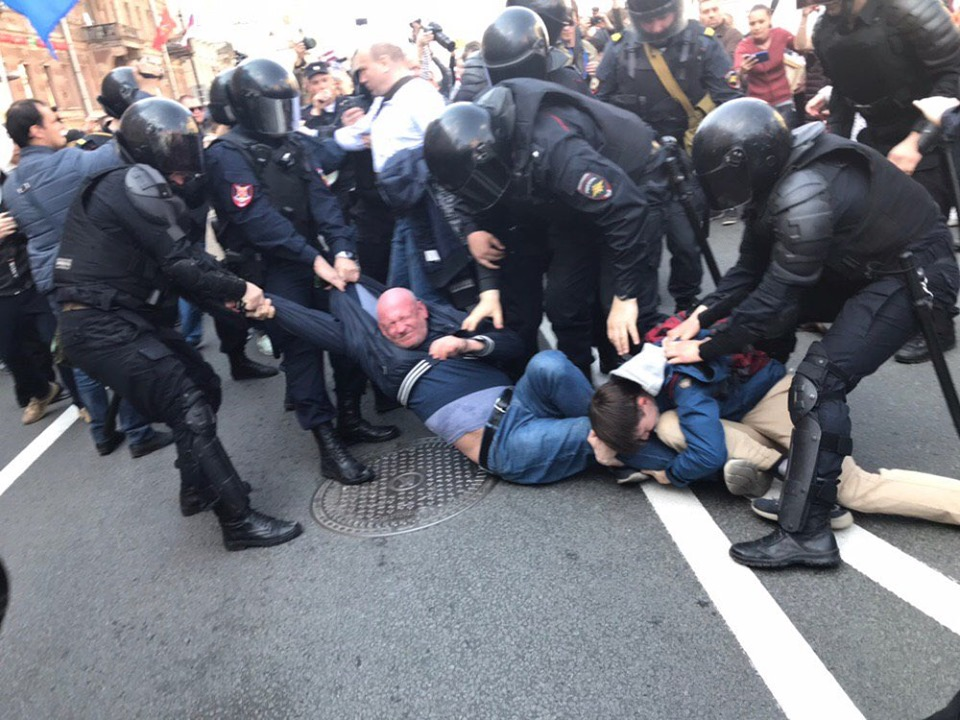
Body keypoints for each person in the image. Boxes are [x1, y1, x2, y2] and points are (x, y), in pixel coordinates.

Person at [664, 98, 959, 569]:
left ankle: (808, 533)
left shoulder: (805, 191)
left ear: (748, 161)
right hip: (864, 260)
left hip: (912, 272)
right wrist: (699, 316)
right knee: (775, 334)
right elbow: (749, 270)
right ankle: (806, 474)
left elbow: (773, 296)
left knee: (818, 383)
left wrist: (706, 348)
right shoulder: (777, 177)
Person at [53, 98, 302, 550]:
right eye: (175, 152)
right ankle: (238, 522)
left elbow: (183, 272)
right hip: (102, 323)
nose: (184, 170)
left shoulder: (129, 186)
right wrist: (241, 289)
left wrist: (240, 306)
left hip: (120, 319)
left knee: (204, 385)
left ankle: (196, 489)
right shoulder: (132, 182)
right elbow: (184, 264)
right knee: (187, 404)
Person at [205, 59, 398, 486]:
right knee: (302, 351)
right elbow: (256, 219)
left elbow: (323, 200)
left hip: (317, 256)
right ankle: (327, 444)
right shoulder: (227, 153)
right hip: (273, 265)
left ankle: (351, 416)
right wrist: (314, 259)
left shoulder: (295, 141)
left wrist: (343, 250)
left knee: (350, 332)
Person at [424, 80, 670, 370]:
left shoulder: (555, 149)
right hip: (572, 205)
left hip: (631, 188)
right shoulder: (482, 145)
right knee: (563, 304)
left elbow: (626, 209)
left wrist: (625, 296)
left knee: (628, 314)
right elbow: (480, 207)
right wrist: (476, 243)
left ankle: (652, 382)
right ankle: (576, 380)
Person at [260, 282, 606, 486]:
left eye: (403, 319)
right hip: (504, 442)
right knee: (595, 431)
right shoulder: (381, 356)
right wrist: (262, 303)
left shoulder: (449, 324)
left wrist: (468, 345)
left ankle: (616, 439)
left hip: (525, 403)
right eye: (388, 325)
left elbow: (513, 345)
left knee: (550, 362)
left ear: (421, 310)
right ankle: (627, 447)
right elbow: (313, 324)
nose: (398, 329)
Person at [3, 98, 172, 458]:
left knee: (81, 356)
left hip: (50, 279)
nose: (60, 125)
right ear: (36, 131)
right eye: (54, 120)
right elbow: (119, 151)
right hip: (90, 272)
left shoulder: (11, 185)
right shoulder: (69, 161)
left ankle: (101, 433)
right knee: (121, 349)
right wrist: (119, 117)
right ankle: (138, 433)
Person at [801, 0, 960, 363]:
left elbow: (954, 74)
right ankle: (892, 309)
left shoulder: (910, 8)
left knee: (927, 237)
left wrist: (917, 140)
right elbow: (842, 92)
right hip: (878, 135)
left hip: (932, 134)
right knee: (882, 232)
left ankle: (937, 328)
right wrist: (833, 148)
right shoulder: (826, 27)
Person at [595, 0, 741, 310]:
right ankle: (644, 313)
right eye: (648, 21)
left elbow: (731, 104)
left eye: (663, 17)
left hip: (687, 159)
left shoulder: (703, 43)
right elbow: (597, 110)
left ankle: (685, 304)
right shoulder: (619, 49)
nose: (657, 27)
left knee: (688, 244)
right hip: (638, 165)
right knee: (642, 246)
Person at [335, 42, 459, 306]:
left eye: (363, 70)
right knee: (398, 294)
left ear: (384, 62)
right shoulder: (385, 102)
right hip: (404, 214)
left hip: (426, 210)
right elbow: (349, 138)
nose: (361, 80)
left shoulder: (419, 95)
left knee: (425, 298)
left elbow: (446, 148)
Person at [733, 5, 800, 128]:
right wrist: (742, 71)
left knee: (788, 133)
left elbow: (801, 47)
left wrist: (804, 18)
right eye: (752, 24)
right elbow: (735, 76)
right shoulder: (744, 46)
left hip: (784, 100)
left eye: (761, 22)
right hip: (760, 106)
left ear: (769, 20)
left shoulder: (780, 34)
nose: (757, 27)